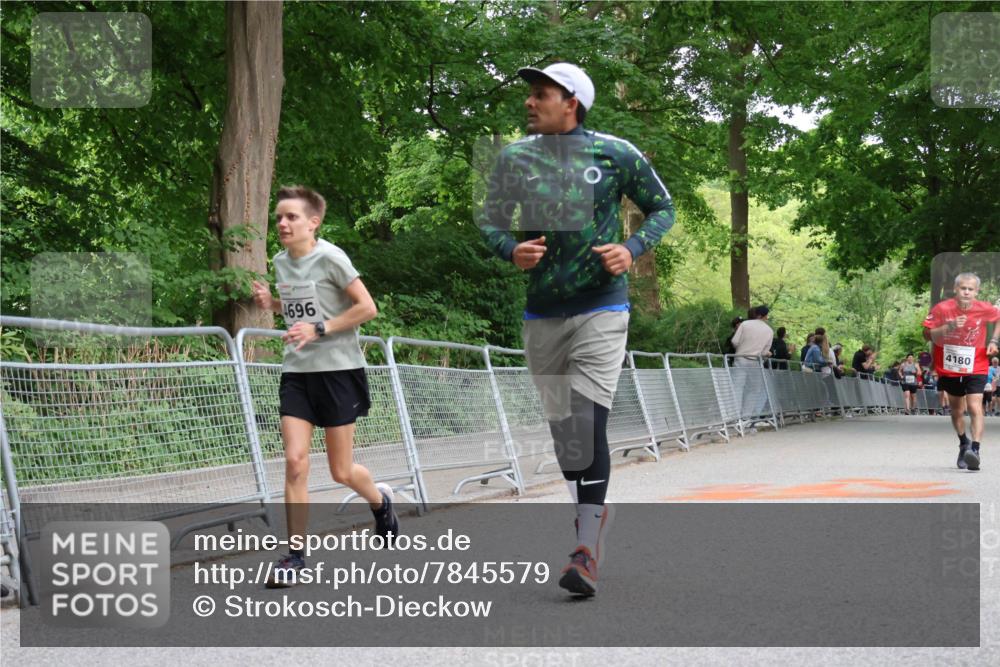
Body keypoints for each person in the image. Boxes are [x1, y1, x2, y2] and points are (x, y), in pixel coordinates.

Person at [480, 63, 675, 596]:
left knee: (586, 425)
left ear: (571, 103)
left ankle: (585, 547)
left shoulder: (615, 153)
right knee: (567, 437)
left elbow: (662, 208)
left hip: (601, 308)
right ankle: (591, 514)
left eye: (540, 94)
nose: (529, 102)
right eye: (530, 93)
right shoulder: (514, 158)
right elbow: (491, 220)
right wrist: (510, 249)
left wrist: (631, 249)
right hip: (542, 312)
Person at [251, 185, 398, 587]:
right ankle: (295, 556)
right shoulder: (281, 262)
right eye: (279, 217)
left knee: (341, 470)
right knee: (295, 461)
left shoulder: (331, 257)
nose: (282, 223)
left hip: (338, 371)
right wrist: (272, 305)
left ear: (313, 222)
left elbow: (367, 307)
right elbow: (300, 308)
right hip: (297, 372)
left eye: (291, 217)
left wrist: (319, 329)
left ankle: (380, 502)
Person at [922, 272, 1000, 470]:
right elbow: (927, 334)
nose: (966, 292)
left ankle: (975, 450)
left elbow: (998, 318)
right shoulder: (942, 309)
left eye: (970, 289)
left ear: (976, 291)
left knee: (975, 406)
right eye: (963, 288)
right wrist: (948, 327)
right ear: (955, 289)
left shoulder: (984, 308)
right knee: (957, 410)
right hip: (950, 367)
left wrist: (993, 341)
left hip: (977, 364)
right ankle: (964, 443)